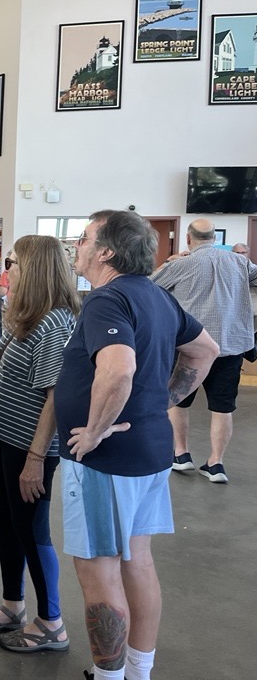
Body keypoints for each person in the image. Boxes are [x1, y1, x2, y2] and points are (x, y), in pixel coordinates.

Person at [54, 210, 218, 680]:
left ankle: (109, 676)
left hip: (108, 461)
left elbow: (119, 368)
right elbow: (204, 349)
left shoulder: (107, 300)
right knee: (136, 560)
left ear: (105, 251)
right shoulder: (156, 297)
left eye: (83, 238)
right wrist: (161, 398)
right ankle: (137, 670)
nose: (77, 246)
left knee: (99, 570)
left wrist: (97, 428)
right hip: (149, 452)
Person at [0, 235, 78, 655]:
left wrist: (35, 459)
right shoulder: (29, 317)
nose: (4, 270)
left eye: (10, 262)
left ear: (32, 268)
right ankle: (12, 604)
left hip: (29, 448)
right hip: (4, 438)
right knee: (8, 523)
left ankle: (51, 622)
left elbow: (54, 395)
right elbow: (4, 380)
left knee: (32, 530)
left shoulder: (57, 322)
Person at [150, 218, 257, 484]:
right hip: (229, 347)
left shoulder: (181, 264)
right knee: (223, 408)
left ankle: (181, 454)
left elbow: (149, 287)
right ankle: (216, 464)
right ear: (215, 239)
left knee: (178, 401)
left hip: (190, 347)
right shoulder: (240, 262)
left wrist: (167, 262)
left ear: (188, 239)